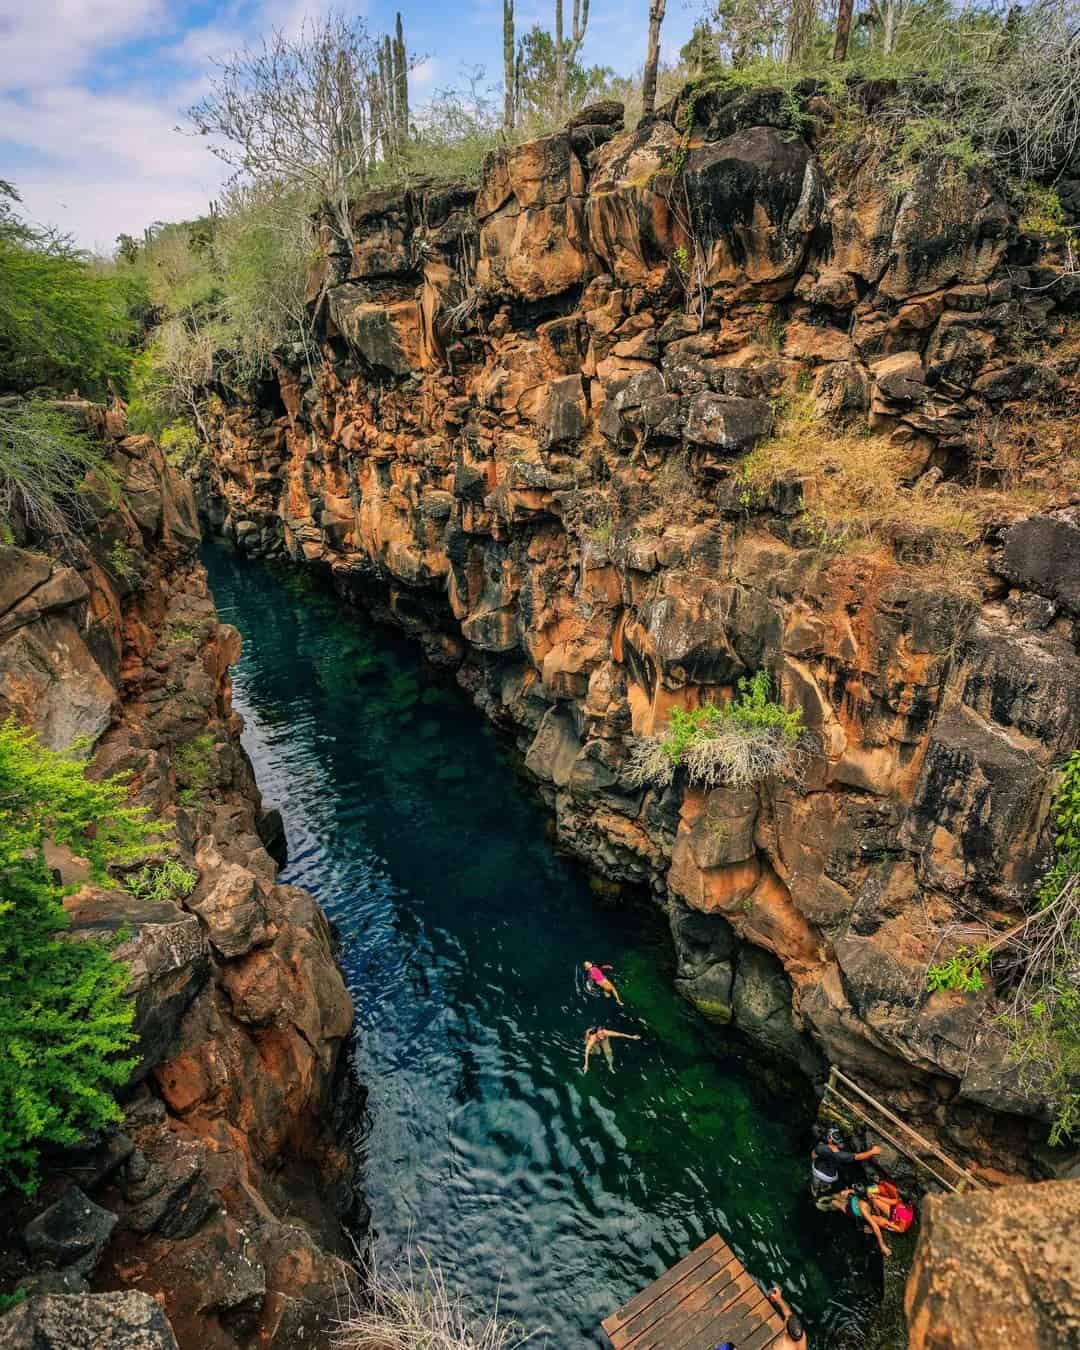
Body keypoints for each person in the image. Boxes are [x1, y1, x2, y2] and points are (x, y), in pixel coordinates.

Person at [810, 1126, 881, 1195]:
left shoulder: (821, 1147)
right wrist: (872, 1152)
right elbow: (858, 1156)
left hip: (817, 1170)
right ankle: (824, 1186)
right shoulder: (842, 1155)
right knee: (828, 1178)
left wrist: (820, 1160)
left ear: (829, 1139)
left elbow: (813, 1155)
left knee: (816, 1181)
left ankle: (816, 1189)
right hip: (830, 1177)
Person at [830, 1187, 895, 1258]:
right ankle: (830, 1201)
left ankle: (830, 1196)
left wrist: (848, 1191)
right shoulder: (864, 1206)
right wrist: (882, 1246)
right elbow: (875, 1227)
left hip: (853, 1200)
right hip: (852, 1210)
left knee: (838, 1198)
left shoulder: (866, 1194)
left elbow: (858, 1191)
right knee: (839, 1205)